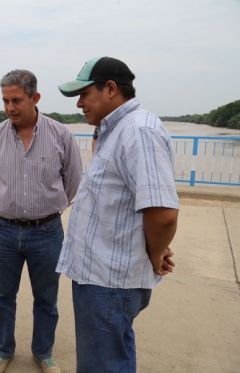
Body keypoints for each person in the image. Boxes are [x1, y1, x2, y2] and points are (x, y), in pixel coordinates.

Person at [56, 56, 179, 373]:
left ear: (110, 89)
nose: (80, 103)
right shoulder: (115, 130)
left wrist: (154, 254)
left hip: (109, 283)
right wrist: (156, 249)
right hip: (99, 277)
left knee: (105, 364)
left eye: (84, 94)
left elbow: (163, 213)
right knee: (110, 357)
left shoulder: (138, 132)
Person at [0, 70, 82, 373]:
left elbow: (73, 181)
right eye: (5, 101)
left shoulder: (61, 134)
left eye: (16, 100)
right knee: (1, 296)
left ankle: (43, 352)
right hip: (4, 230)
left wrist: (49, 209)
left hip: (48, 231)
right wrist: (5, 204)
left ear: (35, 98)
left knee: (47, 298)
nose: (10, 107)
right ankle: (3, 350)